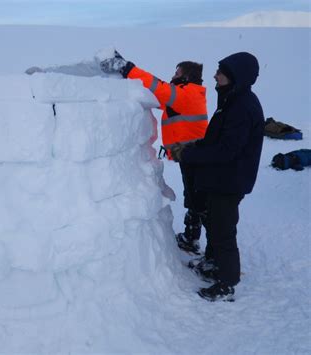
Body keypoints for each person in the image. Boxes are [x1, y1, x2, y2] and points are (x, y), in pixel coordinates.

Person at [170, 52, 265, 302]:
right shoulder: (231, 101)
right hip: (222, 178)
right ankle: (213, 264)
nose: (214, 75)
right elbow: (217, 141)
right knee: (214, 223)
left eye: (220, 72)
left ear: (235, 77)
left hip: (230, 180)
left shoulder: (242, 107)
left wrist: (189, 155)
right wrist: (193, 147)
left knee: (223, 232)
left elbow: (227, 151)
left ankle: (226, 284)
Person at [99, 50, 208, 255]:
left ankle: (206, 245)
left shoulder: (188, 94)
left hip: (197, 157)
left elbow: (158, 88)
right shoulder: (184, 95)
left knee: (200, 201)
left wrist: (128, 68)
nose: (173, 75)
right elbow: (157, 91)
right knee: (194, 198)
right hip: (189, 155)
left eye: (177, 72)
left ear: (186, 76)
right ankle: (191, 237)